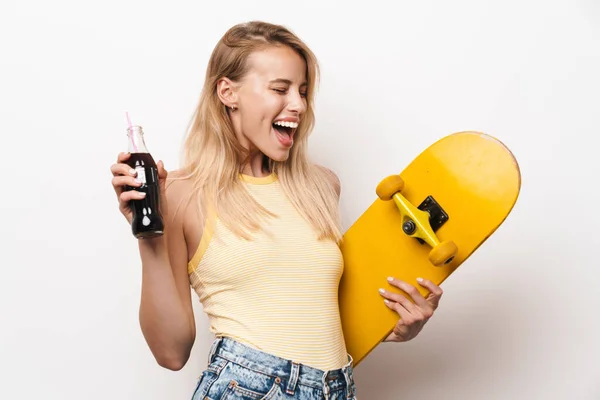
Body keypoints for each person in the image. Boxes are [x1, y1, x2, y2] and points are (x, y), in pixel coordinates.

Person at [110, 20, 444, 400]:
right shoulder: (183, 193)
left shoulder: (320, 187)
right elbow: (171, 352)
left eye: (303, 91)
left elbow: (315, 314)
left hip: (336, 389)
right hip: (246, 386)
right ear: (227, 92)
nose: (299, 105)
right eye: (280, 89)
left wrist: (397, 324)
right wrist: (147, 231)